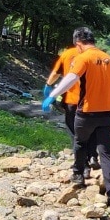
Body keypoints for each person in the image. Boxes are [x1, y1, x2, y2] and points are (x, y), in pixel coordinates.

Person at [44, 28, 110, 205]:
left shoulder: (83, 58)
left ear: (78, 43)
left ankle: (79, 175)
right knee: (106, 152)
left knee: (80, 142)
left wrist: (52, 95)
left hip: (87, 111)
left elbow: (71, 78)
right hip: (108, 113)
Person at [45, 40, 85, 179]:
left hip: (71, 100)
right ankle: (92, 158)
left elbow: (56, 73)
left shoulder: (67, 54)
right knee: (90, 130)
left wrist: (48, 86)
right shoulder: (94, 54)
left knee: (74, 132)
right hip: (89, 100)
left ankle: (80, 163)